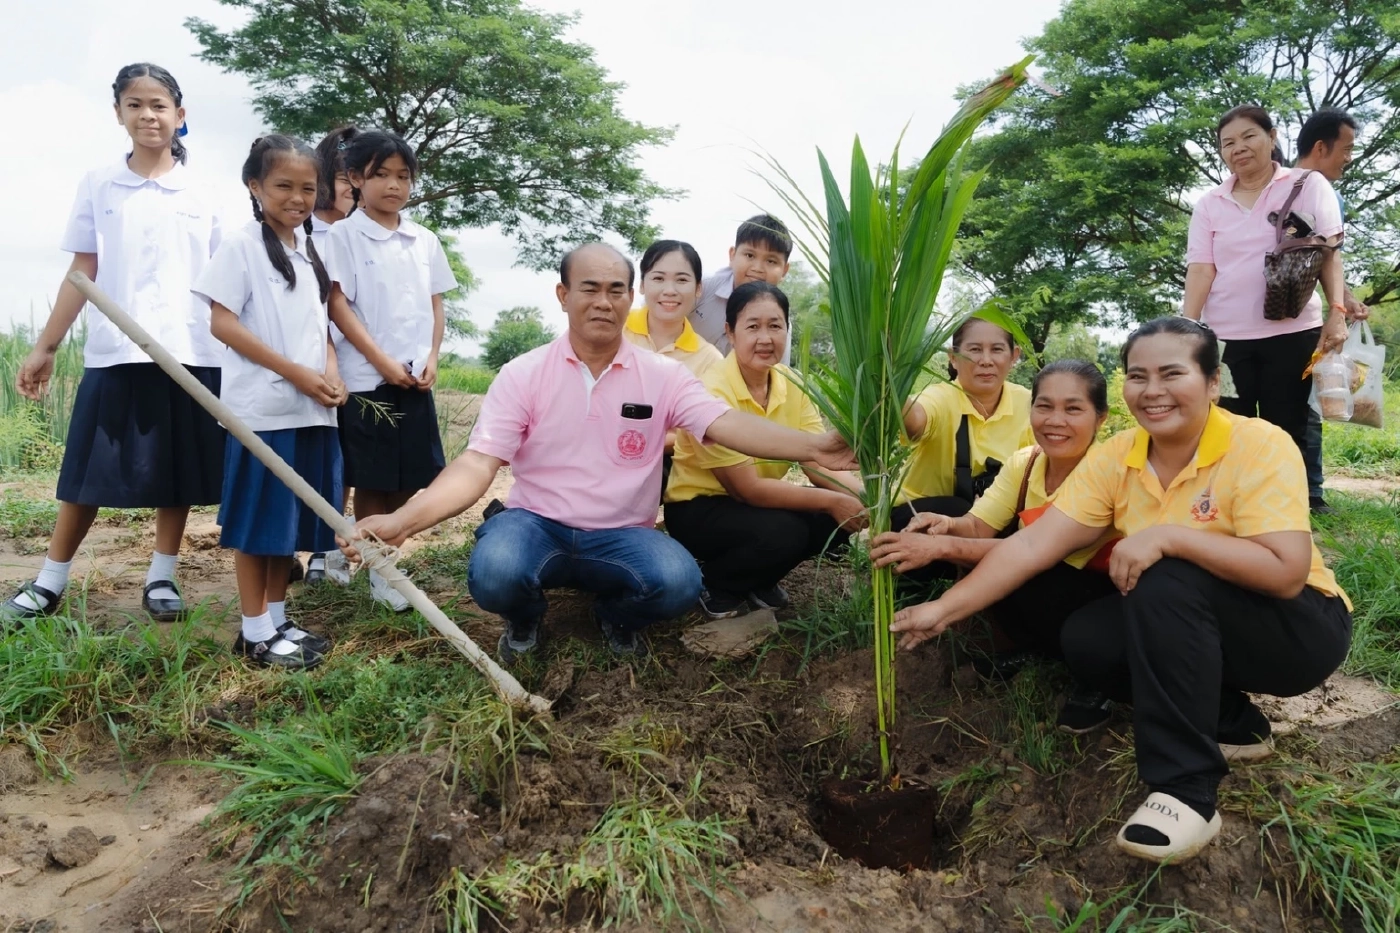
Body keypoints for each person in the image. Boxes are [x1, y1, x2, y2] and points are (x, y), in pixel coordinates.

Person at [890, 318, 1352, 864]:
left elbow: (1285, 571)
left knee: (1166, 574)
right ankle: (1234, 722)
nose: (1152, 390)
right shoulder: (1119, 457)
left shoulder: (1257, 443)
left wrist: (1171, 536)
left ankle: (1186, 792)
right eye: (1138, 376)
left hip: (1297, 629)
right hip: (1198, 623)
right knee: (1089, 639)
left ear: (1211, 382)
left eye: (1171, 373)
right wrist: (943, 609)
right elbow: (1030, 547)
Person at [339, 243, 856, 663]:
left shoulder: (664, 376)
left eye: (616, 290)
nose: (603, 302)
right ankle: (525, 615)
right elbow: (477, 464)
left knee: (678, 583)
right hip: (535, 521)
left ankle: (616, 615)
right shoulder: (523, 373)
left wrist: (817, 448)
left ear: (630, 297)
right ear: (563, 295)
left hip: (624, 533)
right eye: (589, 288)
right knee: (495, 570)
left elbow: (723, 424)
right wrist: (406, 520)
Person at [3, 63, 224, 624]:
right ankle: (51, 580)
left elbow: (224, 280)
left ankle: (162, 576)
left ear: (180, 114)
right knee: (86, 471)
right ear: (119, 114)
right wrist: (46, 346)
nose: (148, 115)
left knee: (176, 474)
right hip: (115, 350)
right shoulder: (100, 184)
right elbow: (84, 268)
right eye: (135, 105)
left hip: (191, 352)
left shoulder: (204, 189)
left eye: (158, 105)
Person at [871, 359, 1120, 731]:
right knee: (951, 526)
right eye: (1044, 406)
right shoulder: (1027, 461)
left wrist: (942, 553)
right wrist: (948, 526)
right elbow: (977, 526)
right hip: (1044, 579)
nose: (1055, 420)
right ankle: (1037, 650)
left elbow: (1034, 551)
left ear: (1101, 418)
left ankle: (1095, 679)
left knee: (1038, 576)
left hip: (1101, 597)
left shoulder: (1107, 471)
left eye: (1073, 409)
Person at [194, 135, 344, 669]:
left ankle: (278, 620)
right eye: (284, 185)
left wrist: (328, 372)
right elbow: (223, 323)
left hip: (311, 412)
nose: (298, 198)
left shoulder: (308, 251)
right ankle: (254, 631)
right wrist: (297, 374)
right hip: (264, 413)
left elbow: (321, 328)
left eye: (309, 188)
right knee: (260, 524)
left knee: (288, 524)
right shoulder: (241, 246)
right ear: (255, 187)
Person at [664, 282, 865, 619]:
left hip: (754, 501)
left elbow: (817, 460)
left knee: (834, 524)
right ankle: (718, 584)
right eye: (753, 326)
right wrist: (833, 500)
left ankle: (757, 578)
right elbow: (746, 490)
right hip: (699, 507)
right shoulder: (713, 389)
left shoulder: (791, 382)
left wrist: (863, 497)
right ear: (730, 332)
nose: (765, 338)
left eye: (775, 326)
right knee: (788, 530)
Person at [1182, 105, 1348, 492]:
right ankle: (1233, 500)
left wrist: (1337, 311)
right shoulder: (1210, 203)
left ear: (1272, 138)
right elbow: (1202, 269)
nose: (1238, 148)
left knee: (1287, 423)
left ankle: (1294, 502)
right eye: (1228, 143)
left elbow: (1329, 254)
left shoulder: (1307, 184)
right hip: (1226, 339)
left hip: (1293, 333)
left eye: (1248, 136)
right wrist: (1187, 330)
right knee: (1227, 423)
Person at [324, 130, 457, 611]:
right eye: (380, 174)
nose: (393, 185)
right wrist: (381, 361)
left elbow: (435, 304)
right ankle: (378, 570)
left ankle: (373, 550)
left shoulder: (423, 239)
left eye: (403, 175)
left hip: (415, 379)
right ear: (356, 178)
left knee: (412, 475)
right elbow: (337, 303)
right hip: (367, 381)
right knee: (374, 480)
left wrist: (433, 357)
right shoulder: (341, 236)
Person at [891, 317, 1032, 583]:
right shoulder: (940, 397)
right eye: (975, 350)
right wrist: (891, 379)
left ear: (1014, 356)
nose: (986, 360)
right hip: (919, 515)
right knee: (954, 508)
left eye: (997, 349)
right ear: (954, 358)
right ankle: (915, 592)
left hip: (994, 516)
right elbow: (915, 422)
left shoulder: (1027, 403)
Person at [1294, 108, 1368, 514]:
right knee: (1302, 410)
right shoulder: (1318, 189)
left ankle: (1307, 492)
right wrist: (1337, 309)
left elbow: (1322, 259)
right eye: (1347, 148)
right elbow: (1320, 256)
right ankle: (1309, 495)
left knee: (1295, 408)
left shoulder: (1275, 185)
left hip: (1266, 321)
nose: (1349, 157)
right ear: (1321, 147)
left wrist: (1345, 298)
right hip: (1299, 322)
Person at [300, 125, 361, 587]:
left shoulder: (363, 231)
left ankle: (328, 548)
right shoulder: (303, 228)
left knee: (344, 464)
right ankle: (286, 549)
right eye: (343, 176)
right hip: (306, 362)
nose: (350, 187)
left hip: (355, 367)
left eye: (357, 177)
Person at [689, 214, 794, 364]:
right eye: (750, 255)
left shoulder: (779, 320)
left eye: (771, 261)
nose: (757, 268)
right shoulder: (702, 288)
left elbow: (777, 375)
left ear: (784, 270)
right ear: (732, 255)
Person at [625, 240, 724, 382]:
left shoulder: (709, 360)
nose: (670, 291)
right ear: (641, 285)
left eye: (682, 280)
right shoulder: (616, 328)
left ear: (698, 288)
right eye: (658, 278)